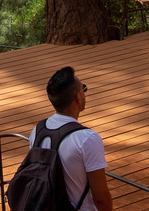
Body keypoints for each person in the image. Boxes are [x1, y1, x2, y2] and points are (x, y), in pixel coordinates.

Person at [35, 67, 113, 211]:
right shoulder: (87, 139)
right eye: (83, 89)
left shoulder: (38, 130)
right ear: (78, 97)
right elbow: (101, 198)